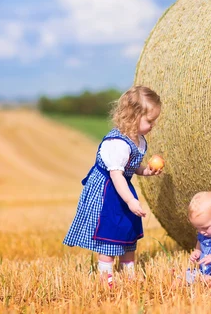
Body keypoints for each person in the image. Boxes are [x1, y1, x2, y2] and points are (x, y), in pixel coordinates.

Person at [63, 85, 162, 286]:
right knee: (109, 233)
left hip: (122, 188)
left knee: (127, 229)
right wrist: (130, 200)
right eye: (150, 120)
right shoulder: (117, 144)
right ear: (134, 116)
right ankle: (104, 276)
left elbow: (131, 166)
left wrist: (146, 171)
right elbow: (116, 175)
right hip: (107, 191)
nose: (153, 125)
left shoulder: (138, 140)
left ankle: (128, 272)